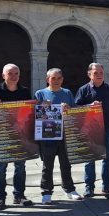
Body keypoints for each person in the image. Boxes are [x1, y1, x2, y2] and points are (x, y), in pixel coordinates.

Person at [0, 63, 33, 210]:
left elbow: (29, 113)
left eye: (16, 74)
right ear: (3, 75)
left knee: (20, 166)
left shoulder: (25, 91)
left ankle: (19, 195)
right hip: (2, 134)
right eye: (10, 73)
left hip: (20, 134)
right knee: (1, 167)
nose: (13, 77)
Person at [35, 68, 83, 204]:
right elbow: (34, 114)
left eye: (58, 78)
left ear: (62, 79)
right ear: (47, 79)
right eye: (53, 78)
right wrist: (42, 106)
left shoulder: (67, 93)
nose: (56, 81)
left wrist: (69, 108)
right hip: (47, 134)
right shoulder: (40, 94)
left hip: (65, 133)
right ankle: (46, 192)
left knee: (66, 164)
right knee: (47, 165)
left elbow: (74, 111)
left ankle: (69, 189)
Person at [74, 63, 109, 197]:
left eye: (100, 73)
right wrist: (89, 106)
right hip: (90, 131)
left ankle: (107, 186)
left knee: (108, 158)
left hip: (107, 129)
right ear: (89, 74)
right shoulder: (84, 90)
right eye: (95, 73)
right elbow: (76, 108)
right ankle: (89, 187)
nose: (99, 75)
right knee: (90, 159)